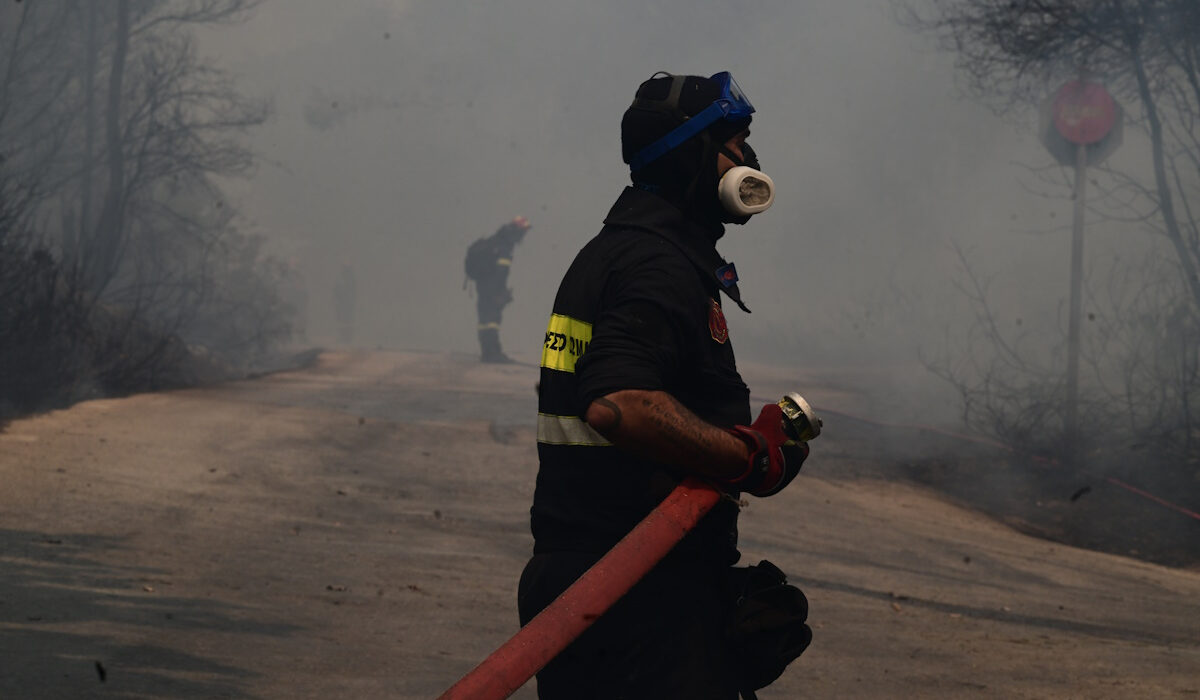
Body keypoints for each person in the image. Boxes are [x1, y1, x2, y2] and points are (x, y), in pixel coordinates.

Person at [519, 72, 811, 699]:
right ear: (691, 155)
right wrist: (748, 457)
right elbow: (620, 405)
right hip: (631, 592)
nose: (750, 161)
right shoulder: (657, 265)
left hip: (614, 582)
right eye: (735, 145)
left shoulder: (623, 251)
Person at [464, 216, 531, 363]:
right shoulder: (504, 245)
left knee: (485, 320)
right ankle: (492, 354)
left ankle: (488, 352)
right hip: (491, 287)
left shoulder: (496, 240)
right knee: (492, 320)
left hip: (484, 285)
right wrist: (500, 291)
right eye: (523, 232)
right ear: (517, 231)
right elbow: (501, 272)